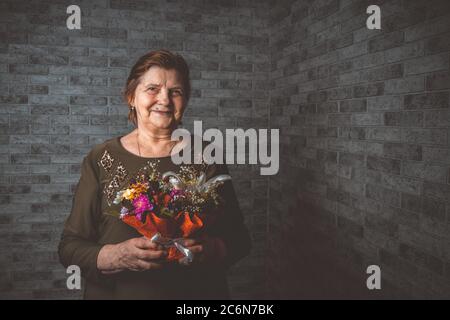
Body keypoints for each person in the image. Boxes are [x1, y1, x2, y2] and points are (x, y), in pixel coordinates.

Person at [58, 49, 251, 299]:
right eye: (152, 89)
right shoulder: (101, 158)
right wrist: (115, 256)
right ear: (131, 96)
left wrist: (211, 249)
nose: (165, 100)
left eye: (176, 92)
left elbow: (240, 239)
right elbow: (69, 247)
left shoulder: (205, 156)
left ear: (186, 100)